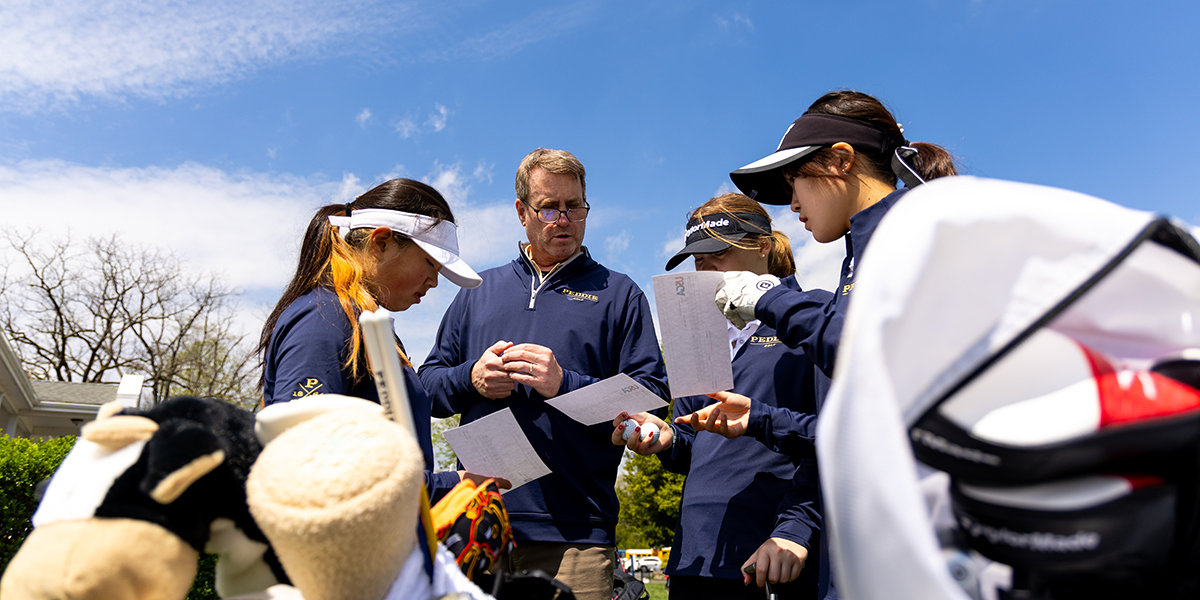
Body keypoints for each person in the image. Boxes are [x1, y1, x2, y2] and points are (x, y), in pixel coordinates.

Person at [418, 148, 669, 600]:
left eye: (575, 206)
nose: (564, 219)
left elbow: (651, 395)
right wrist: (470, 379)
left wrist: (564, 384)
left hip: (576, 535)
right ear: (521, 212)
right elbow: (427, 390)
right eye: (549, 208)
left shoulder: (619, 294)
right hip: (477, 525)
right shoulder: (478, 291)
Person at [613, 193, 829, 600]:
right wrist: (667, 440)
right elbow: (699, 447)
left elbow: (838, 441)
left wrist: (797, 530)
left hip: (772, 557)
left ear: (762, 246)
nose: (704, 268)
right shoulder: (698, 335)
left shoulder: (813, 319)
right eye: (697, 259)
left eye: (717, 253)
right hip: (694, 558)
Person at [258, 178, 497, 504]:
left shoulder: (364, 322)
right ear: (381, 242)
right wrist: (445, 486)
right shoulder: (324, 319)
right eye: (429, 263)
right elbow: (303, 465)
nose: (434, 281)